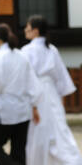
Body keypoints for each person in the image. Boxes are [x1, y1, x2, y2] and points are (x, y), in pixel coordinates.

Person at [21, 15, 82, 165]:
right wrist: (59, 94)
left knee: (36, 130)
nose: (25, 30)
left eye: (28, 27)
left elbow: (24, 76)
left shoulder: (26, 50)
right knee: (58, 128)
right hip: (51, 92)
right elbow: (60, 76)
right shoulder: (51, 49)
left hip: (35, 92)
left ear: (35, 30)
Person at [0, 23, 42, 165]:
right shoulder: (22, 57)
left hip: (5, 110)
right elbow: (33, 84)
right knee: (19, 150)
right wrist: (35, 105)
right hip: (23, 110)